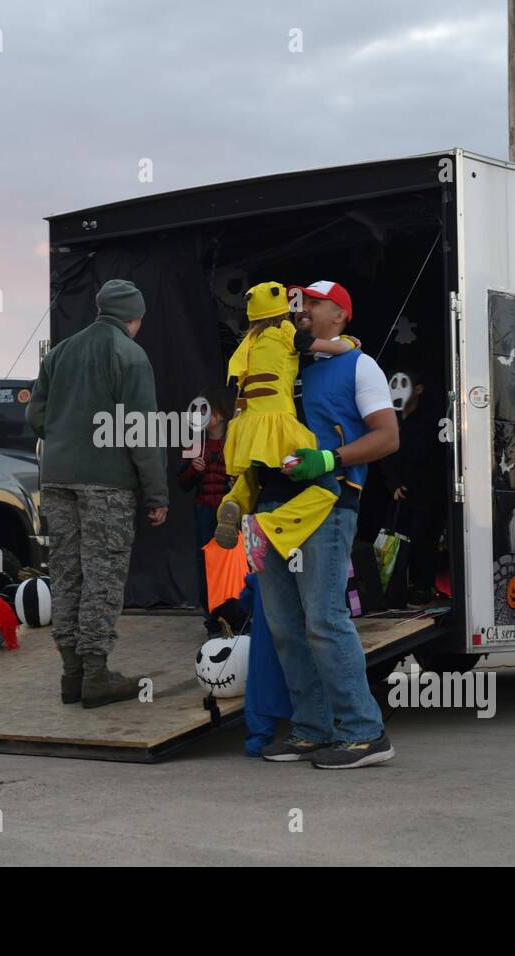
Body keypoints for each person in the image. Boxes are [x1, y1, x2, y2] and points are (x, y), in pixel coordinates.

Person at [254, 280, 400, 769]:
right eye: (300, 303)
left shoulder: (360, 364)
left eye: (313, 304)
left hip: (328, 503)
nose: (302, 310)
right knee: (284, 626)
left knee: (324, 619)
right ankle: (312, 730)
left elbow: (387, 437)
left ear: (339, 315)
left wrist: (329, 458)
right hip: (273, 507)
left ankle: (364, 733)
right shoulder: (287, 364)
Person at [26, 279, 169, 709]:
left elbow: (36, 415)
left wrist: (67, 437)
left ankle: (71, 674)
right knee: (103, 577)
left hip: (56, 481)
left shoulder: (60, 352)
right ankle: (96, 674)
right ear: (135, 316)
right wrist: (156, 493)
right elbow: (141, 431)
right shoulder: (131, 356)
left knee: (67, 574)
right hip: (106, 484)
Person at [213, 282, 359, 572]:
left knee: (254, 475)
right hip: (276, 422)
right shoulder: (285, 334)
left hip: (246, 425)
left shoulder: (248, 343)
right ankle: (266, 527)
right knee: (328, 488)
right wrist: (350, 343)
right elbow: (329, 347)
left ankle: (233, 504)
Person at [379, 361, 446, 607]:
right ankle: (392, 588)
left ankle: (422, 587)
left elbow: (432, 457)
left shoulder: (429, 421)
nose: (397, 390)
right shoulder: (389, 419)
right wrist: (393, 483)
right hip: (400, 492)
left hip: (427, 492)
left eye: (402, 384)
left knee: (423, 540)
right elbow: (384, 454)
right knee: (394, 539)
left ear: (417, 389)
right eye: (393, 384)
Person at [177, 384, 234, 624]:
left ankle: (236, 615)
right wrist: (193, 469)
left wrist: (236, 481)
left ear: (220, 414)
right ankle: (211, 619)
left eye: (205, 410)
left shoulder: (236, 441)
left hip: (232, 514)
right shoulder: (195, 444)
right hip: (204, 512)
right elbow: (182, 483)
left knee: (232, 565)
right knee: (206, 565)